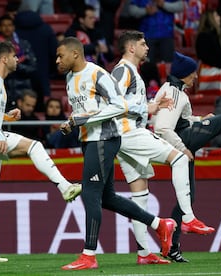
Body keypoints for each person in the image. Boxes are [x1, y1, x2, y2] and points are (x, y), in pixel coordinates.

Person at [56, 37, 176, 270]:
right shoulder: (70, 78)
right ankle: (160, 224)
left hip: (105, 138)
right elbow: (85, 110)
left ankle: (88, 255)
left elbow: (120, 106)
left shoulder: (98, 74)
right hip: (89, 139)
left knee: (89, 194)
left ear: (75, 54)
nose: (58, 60)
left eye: (61, 55)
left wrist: (84, 119)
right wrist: (72, 122)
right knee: (106, 198)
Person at [0, 40, 81, 263]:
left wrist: (6, 117)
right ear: (5, 58)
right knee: (34, 146)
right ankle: (65, 186)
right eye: (15, 56)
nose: (18, 60)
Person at [111, 30, 214, 265]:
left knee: (140, 195)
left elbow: (128, 104)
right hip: (129, 132)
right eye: (143, 43)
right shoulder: (123, 70)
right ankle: (187, 217)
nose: (147, 47)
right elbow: (113, 103)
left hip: (123, 136)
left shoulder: (131, 72)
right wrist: (147, 108)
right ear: (131, 48)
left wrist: (152, 105)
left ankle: (144, 253)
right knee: (179, 158)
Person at [152, 51, 221, 262]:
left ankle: (172, 247)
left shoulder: (172, 90)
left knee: (187, 197)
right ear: (184, 74)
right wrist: (182, 147)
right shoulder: (175, 94)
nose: (196, 77)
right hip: (180, 143)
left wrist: (200, 119)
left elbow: (182, 120)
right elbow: (162, 128)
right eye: (193, 73)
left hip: (180, 140)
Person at [0, 14, 37, 110]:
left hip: (23, 91)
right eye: (4, 25)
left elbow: (33, 68)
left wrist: (16, 66)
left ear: (14, 27)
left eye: (9, 25)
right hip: (2, 91)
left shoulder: (23, 45)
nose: (7, 28)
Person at [129, 0, 184, 66]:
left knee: (167, 66)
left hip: (166, 35)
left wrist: (164, 4)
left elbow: (180, 6)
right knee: (147, 66)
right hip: (147, 36)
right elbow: (131, 10)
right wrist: (145, 11)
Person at [64, 4, 114, 70]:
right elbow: (72, 51)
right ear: (81, 19)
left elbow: (110, 56)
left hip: (98, 69)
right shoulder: (72, 32)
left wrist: (107, 50)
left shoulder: (97, 32)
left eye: (94, 18)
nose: (94, 20)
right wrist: (94, 48)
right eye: (90, 18)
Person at [196, 9, 221, 95]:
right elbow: (206, 57)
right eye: (217, 16)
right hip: (209, 75)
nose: (220, 18)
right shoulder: (203, 37)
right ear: (210, 19)